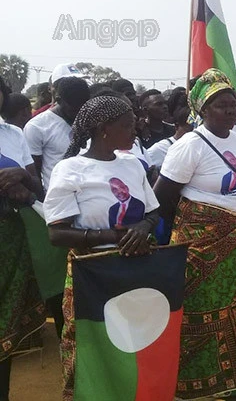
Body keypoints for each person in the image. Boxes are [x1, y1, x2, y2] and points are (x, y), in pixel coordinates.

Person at [153, 69, 236, 400]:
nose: (231, 111)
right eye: (222, 105)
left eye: (233, 104)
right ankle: (191, 385)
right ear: (203, 110)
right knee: (200, 313)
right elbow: (163, 197)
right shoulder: (189, 146)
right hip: (202, 246)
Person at [42, 96, 160, 400]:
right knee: (93, 347)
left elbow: (152, 211)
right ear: (102, 129)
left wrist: (143, 229)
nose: (135, 130)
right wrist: (110, 236)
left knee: (134, 342)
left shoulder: (132, 164)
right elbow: (57, 234)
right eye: (127, 125)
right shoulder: (71, 169)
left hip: (136, 269)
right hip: (93, 274)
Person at [0, 76, 46, 401]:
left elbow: (39, 187)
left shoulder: (14, 134)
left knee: (6, 324)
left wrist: (22, 177)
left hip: (11, 238)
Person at [24, 76, 90, 195]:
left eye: (83, 108)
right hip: (59, 200)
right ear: (59, 100)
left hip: (89, 197)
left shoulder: (90, 119)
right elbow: (35, 171)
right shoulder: (36, 127)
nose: (79, 113)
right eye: (74, 109)